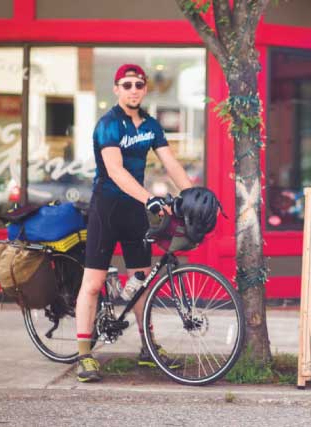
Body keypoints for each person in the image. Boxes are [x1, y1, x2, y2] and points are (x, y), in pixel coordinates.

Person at [75, 64, 194, 382]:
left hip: (135, 212)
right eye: (126, 85)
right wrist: (150, 199)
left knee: (141, 280)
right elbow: (115, 170)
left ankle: (148, 349)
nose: (133, 89)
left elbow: (170, 163)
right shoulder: (109, 124)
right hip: (107, 209)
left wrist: (194, 195)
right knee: (94, 284)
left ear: (144, 89)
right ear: (116, 89)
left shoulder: (152, 125)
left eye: (138, 84)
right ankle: (84, 355)